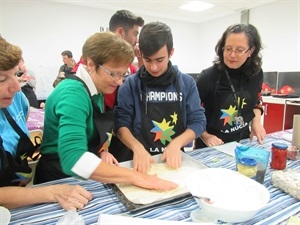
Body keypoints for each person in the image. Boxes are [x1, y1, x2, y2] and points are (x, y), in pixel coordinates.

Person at [33, 32, 177, 192]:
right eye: (114, 74)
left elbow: (90, 133)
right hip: (58, 178)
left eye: (123, 74)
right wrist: (135, 176)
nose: (120, 81)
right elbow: (73, 158)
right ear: (91, 64)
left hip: (79, 176)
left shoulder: (97, 89)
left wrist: (101, 151)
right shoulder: (72, 94)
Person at [0, 36, 92, 210]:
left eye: (15, 74)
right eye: (2, 79)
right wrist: (51, 192)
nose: (17, 87)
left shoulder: (17, 100)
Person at [114, 22, 206, 173]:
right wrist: (137, 147)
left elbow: (198, 121)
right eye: (148, 60)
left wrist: (177, 144)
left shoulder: (187, 83)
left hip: (174, 160)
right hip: (139, 161)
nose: (154, 67)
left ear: (171, 53)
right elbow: (120, 123)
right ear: (140, 53)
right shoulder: (130, 85)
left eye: (159, 60)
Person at [194, 23, 266, 149]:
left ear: (251, 51)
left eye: (239, 50)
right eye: (228, 49)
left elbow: (256, 100)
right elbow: (190, 112)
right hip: (212, 145)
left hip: (242, 142)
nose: (232, 55)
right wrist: (205, 136)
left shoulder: (256, 73)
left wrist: (256, 122)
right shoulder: (208, 76)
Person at [105, 9, 145, 111]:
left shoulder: (128, 65)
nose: (136, 40)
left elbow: (142, 82)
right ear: (120, 32)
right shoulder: (95, 59)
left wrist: (140, 59)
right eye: (135, 34)